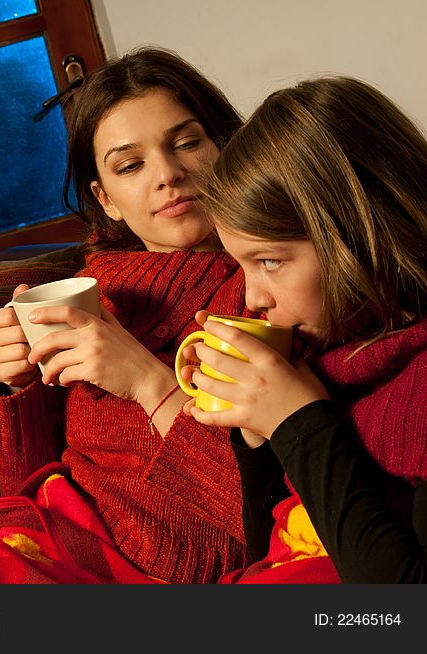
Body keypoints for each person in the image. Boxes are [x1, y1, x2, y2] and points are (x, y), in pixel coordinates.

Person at [0, 47, 251, 584]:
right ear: (107, 199)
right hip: (54, 539)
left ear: (227, 147)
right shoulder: (89, 292)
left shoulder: (269, 287)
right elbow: (21, 489)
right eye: (131, 165)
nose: (168, 175)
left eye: (187, 142)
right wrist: (16, 387)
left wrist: (148, 382)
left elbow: (258, 515)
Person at [182, 76, 427, 583]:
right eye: (242, 266)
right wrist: (257, 433)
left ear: (364, 234)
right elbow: (276, 556)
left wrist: (301, 423)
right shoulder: (337, 356)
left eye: (270, 260)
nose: (253, 298)